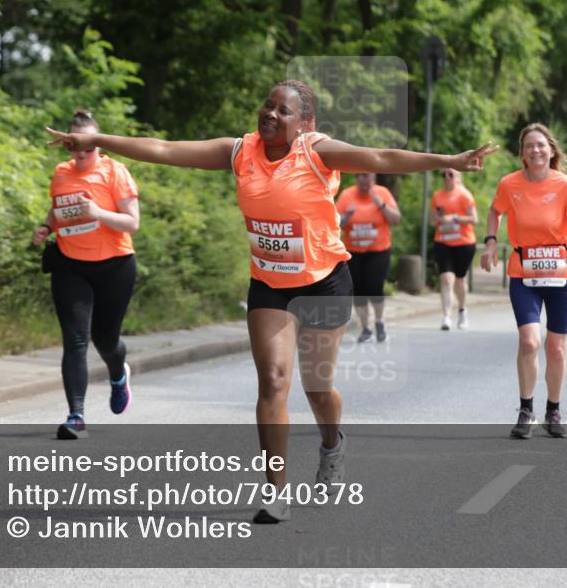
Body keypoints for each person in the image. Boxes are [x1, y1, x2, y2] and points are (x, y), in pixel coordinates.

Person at [46, 80, 497, 523]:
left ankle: (332, 444)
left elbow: (381, 157)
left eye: (284, 111)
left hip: (323, 282)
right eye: (268, 105)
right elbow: (165, 149)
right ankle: (276, 490)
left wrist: (449, 160)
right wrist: (99, 139)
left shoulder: (316, 151)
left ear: (305, 123)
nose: (272, 114)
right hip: (270, 285)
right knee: (274, 381)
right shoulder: (239, 151)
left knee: (317, 391)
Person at [32, 109, 140, 440]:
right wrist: (46, 227)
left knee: (104, 339)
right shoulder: (61, 173)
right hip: (70, 264)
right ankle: (76, 416)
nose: (81, 153)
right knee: (75, 340)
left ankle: (118, 374)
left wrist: (99, 213)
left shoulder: (114, 171)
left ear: (98, 146)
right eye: (74, 145)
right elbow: (58, 207)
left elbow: (132, 222)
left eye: (88, 146)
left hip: (114, 266)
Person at [480, 123, 567, 440]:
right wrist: (490, 242)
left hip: (562, 272)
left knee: (555, 348)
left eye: (541, 145)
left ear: (551, 150)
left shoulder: (565, 185)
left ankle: (553, 410)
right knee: (529, 342)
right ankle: (526, 409)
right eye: (529, 146)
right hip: (523, 270)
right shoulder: (509, 184)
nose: (535, 150)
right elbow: (494, 212)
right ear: (522, 154)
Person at [336, 173, 401, 342]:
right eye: (363, 179)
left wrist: (381, 205)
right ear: (357, 179)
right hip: (353, 251)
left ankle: (379, 322)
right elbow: (334, 224)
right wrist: (347, 216)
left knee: (374, 286)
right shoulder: (347, 195)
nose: (366, 184)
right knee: (358, 290)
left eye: (370, 179)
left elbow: (396, 219)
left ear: (374, 180)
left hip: (378, 250)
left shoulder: (383, 193)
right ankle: (365, 328)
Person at [430, 168, 478, 330]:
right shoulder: (437, 196)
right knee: (446, 279)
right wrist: (438, 219)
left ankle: (462, 311)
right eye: (444, 174)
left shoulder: (464, 195)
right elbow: (432, 220)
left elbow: (474, 219)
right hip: (443, 242)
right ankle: (446, 316)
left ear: (457, 177)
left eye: (451, 174)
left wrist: (455, 218)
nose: (447, 177)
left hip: (464, 243)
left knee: (459, 280)